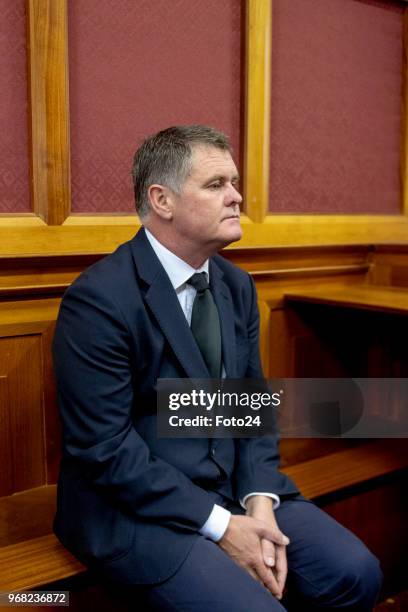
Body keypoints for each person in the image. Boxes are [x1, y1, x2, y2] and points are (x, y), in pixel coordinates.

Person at [53, 125, 382, 611]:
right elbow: (103, 449)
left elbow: (249, 408)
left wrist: (260, 502)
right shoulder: (99, 300)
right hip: (138, 511)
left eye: (234, 182)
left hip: (236, 492)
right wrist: (222, 525)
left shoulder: (236, 285)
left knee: (357, 574)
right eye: (216, 185)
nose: (237, 196)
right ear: (161, 200)